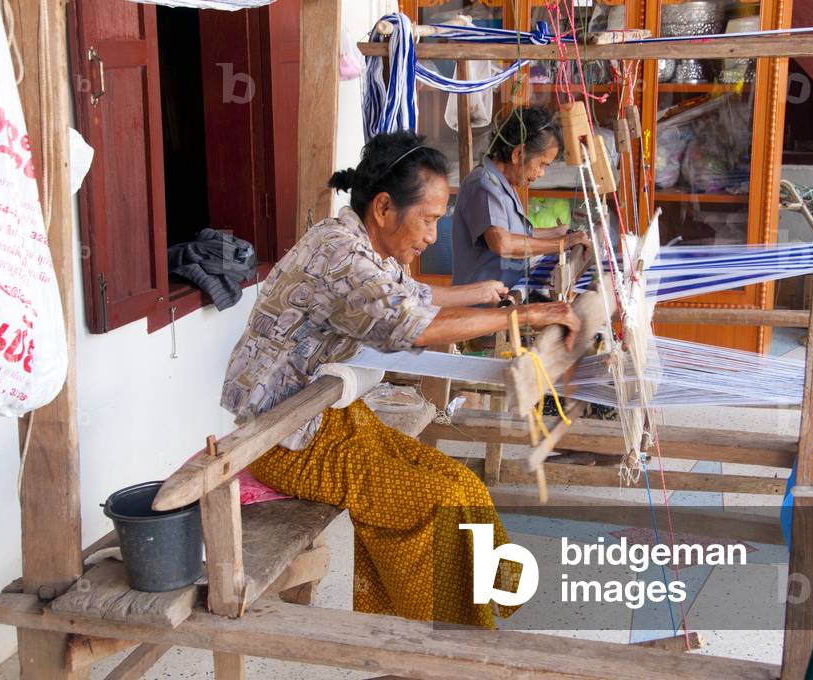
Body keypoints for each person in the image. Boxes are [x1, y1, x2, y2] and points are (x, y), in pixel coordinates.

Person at [221, 131, 580, 629]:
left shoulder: (357, 245)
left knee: (462, 484)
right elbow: (416, 326)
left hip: (328, 418)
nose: (433, 236)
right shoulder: (341, 257)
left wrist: (483, 293)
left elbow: (408, 296)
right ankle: (435, 639)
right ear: (386, 207)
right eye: (429, 219)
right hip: (284, 440)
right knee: (438, 505)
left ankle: (490, 602)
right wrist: (534, 316)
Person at [452, 106, 591, 289]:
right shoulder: (484, 184)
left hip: (507, 293)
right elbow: (502, 243)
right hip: (481, 307)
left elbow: (516, 235)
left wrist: (557, 232)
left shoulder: (504, 184)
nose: (541, 173)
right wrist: (561, 244)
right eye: (542, 164)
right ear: (518, 154)